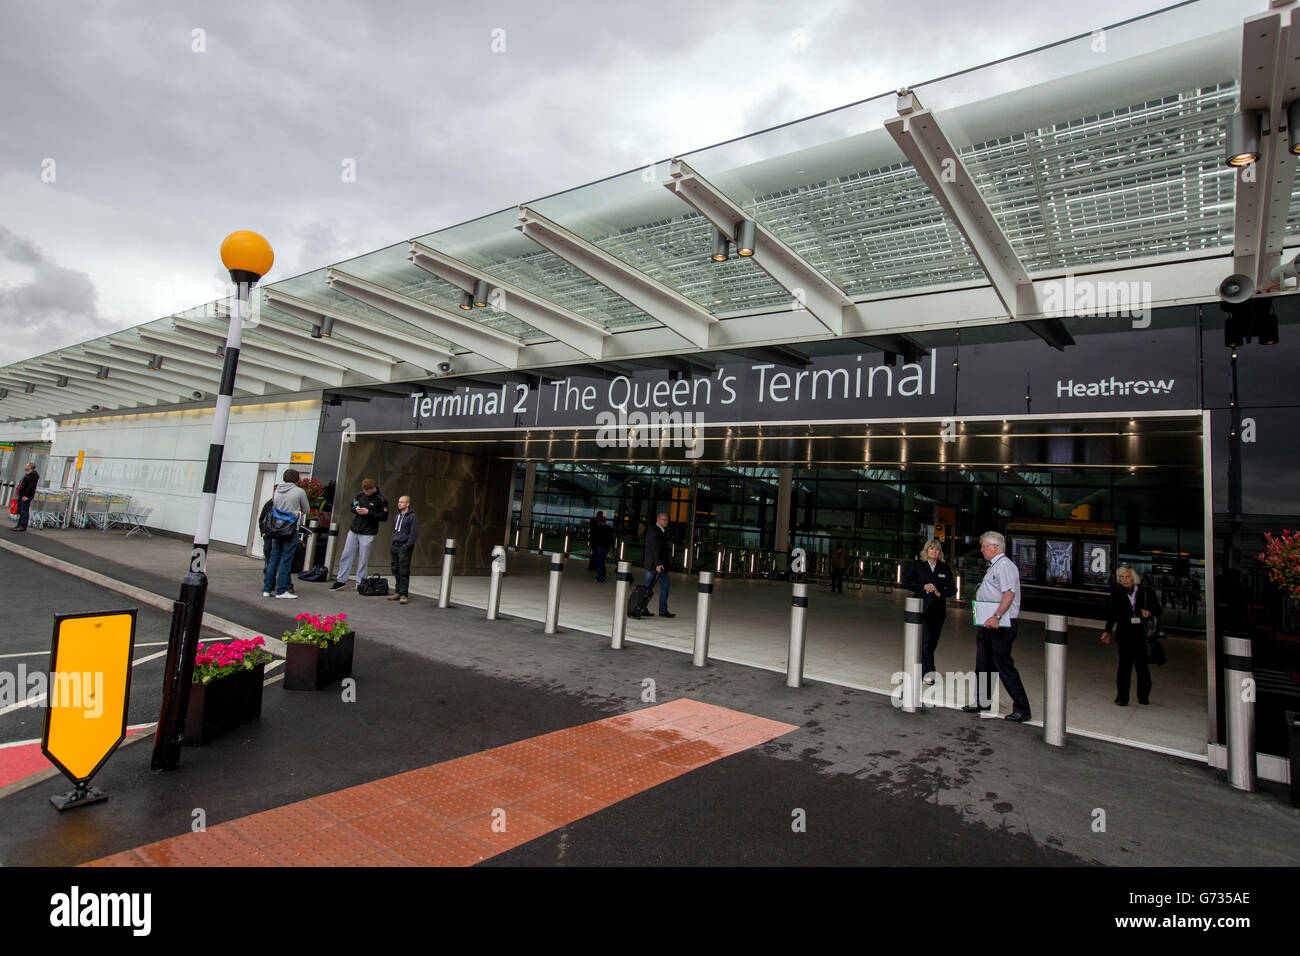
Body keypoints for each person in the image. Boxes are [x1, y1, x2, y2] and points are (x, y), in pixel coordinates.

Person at [962, 531, 1032, 722]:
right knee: (983, 662)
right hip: (988, 623)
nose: (982, 549)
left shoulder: (1005, 566)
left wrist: (997, 616)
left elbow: (1009, 594)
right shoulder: (994, 566)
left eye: (984, 546)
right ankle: (982, 701)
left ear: (995, 547)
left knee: (1003, 665)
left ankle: (1022, 708)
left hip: (1000, 624)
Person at [1101, 565, 1160, 706]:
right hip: (1125, 634)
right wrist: (1107, 631)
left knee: (1142, 667)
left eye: (1127, 577)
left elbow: (1158, 610)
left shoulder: (1145, 592)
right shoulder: (1117, 593)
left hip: (1141, 634)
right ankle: (1122, 697)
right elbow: (1113, 613)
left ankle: (1143, 696)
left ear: (1134, 578)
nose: (1125, 580)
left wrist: (1149, 612)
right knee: (1124, 667)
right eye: (1121, 578)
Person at [902, 538, 956, 684]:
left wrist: (940, 593)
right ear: (926, 551)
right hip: (922, 609)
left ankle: (920, 669)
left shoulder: (944, 568)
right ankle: (929, 672)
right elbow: (906, 582)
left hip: (938, 611)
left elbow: (953, 588)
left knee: (932, 643)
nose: (934, 551)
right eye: (931, 549)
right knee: (925, 642)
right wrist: (922, 587)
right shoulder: (918, 565)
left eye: (937, 549)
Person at [331, 478, 389, 591]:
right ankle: (341, 580)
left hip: (368, 532)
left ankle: (361, 582)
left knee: (363, 559)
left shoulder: (381, 500)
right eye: (365, 491)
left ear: (373, 488)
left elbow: (384, 516)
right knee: (346, 555)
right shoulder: (360, 495)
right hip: (354, 529)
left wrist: (369, 512)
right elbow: (352, 505)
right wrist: (355, 509)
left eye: (368, 491)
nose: (366, 493)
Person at [262, 468, 309, 599]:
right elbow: (306, 509)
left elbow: (274, 506)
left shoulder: (277, 490)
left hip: (276, 528)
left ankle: (267, 589)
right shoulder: (299, 491)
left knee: (273, 559)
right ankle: (281, 590)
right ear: (297, 479)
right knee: (285, 560)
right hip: (290, 528)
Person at [387, 495, 419, 605]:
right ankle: (398, 591)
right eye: (399, 501)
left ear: (407, 504)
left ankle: (404, 594)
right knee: (395, 568)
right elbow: (395, 530)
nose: (399, 503)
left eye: (402, 502)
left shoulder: (412, 517)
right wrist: (393, 541)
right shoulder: (398, 516)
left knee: (403, 570)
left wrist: (407, 545)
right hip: (395, 545)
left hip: (404, 546)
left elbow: (413, 533)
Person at [643, 512, 673, 617]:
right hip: (657, 565)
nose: (666, 521)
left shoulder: (653, 530)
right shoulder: (657, 531)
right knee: (665, 586)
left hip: (651, 565)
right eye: (664, 519)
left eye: (667, 519)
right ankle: (663, 610)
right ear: (658, 520)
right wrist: (658, 564)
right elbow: (656, 549)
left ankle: (642, 608)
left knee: (647, 588)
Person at [11, 462, 38, 532]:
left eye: (26, 465)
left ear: (30, 467)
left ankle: (23, 525)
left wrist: (26, 495)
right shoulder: (27, 475)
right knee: (20, 510)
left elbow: (31, 487)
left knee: (24, 510)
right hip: (21, 495)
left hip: (26, 496)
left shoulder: (33, 475)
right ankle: (19, 525)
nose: (25, 466)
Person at [590, 511, 614, 583]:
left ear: (600, 521)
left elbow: (594, 537)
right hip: (606, 548)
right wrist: (613, 547)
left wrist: (593, 545)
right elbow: (611, 538)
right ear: (605, 521)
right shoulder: (609, 528)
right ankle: (603, 575)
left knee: (599, 562)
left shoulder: (598, 528)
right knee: (602, 562)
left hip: (599, 547)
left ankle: (599, 578)